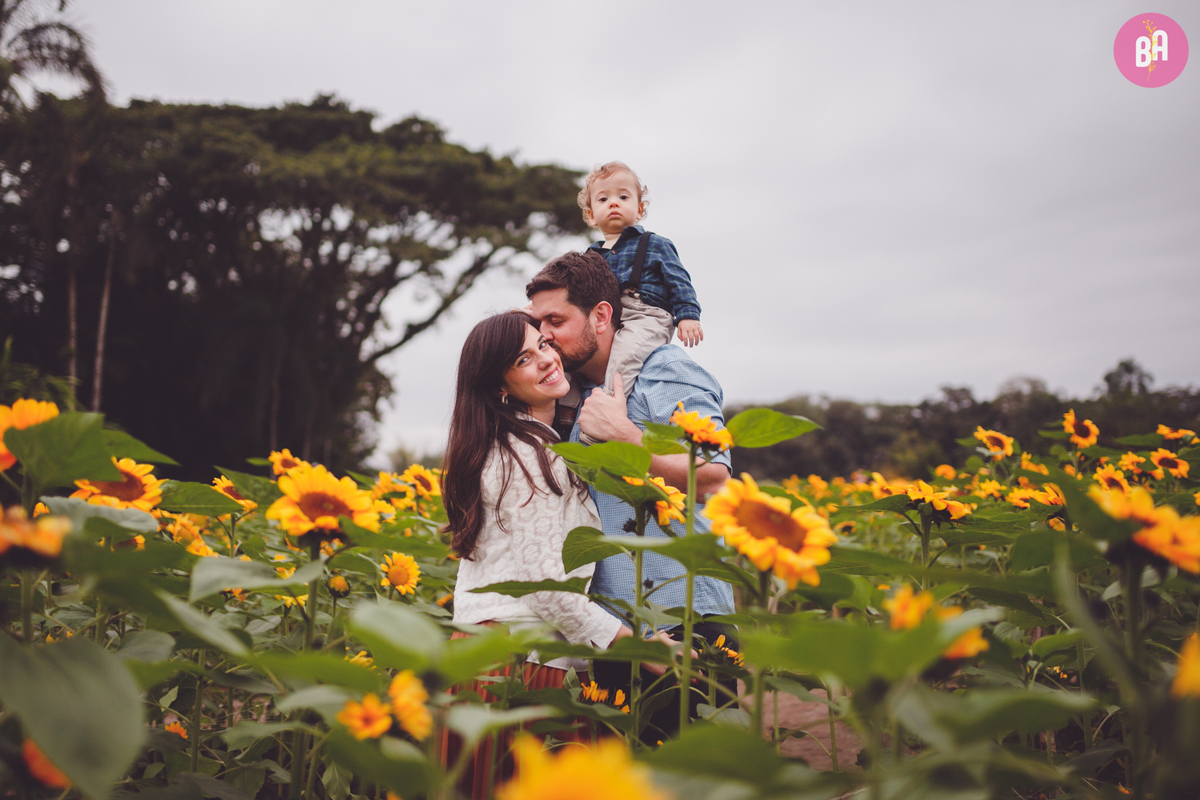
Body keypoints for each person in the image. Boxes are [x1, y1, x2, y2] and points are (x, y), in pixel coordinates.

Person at [441, 311, 671, 795]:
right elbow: (547, 590)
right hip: (519, 664)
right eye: (523, 359)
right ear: (500, 387)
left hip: (488, 656)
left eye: (544, 345)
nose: (546, 359)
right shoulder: (528, 456)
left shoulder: (513, 445)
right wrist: (640, 647)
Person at [525, 251, 737, 741]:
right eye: (538, 324)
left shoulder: (665, 369)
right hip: (618, 626)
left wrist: (625, 435)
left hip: (682, 618)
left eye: (556, 321)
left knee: (686, 769)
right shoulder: (577, 392)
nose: (545, 336)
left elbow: (715, 476)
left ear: (601, 316)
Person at [578, 161, 703, 401]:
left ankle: (609, 405)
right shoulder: (591, 256)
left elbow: (679, 282)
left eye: (623, 197)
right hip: (607, 318)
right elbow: (571, 289)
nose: (613, 203)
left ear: (639, 209)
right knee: (575, 352)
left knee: (625, 356)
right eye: (603, 199)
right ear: (591, 215)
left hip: (646, 315)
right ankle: (567, 410)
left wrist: (687, 315)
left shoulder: (655, 244)